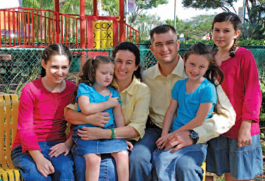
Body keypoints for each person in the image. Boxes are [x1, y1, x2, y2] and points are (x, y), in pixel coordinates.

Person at [129, 24, 236, 181]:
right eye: (159, 44)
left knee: (186, 165)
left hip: (190, 130)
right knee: (137, 158)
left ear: (177, 45)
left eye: (169, 43)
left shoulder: (200, 76)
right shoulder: (145, 78)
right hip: (157, 129)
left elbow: (227, 116)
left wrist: (194, 135)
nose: (164, 48)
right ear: (152, 49)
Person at [64, 42, 151, 181]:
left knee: (119, 159)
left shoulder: (133, 90)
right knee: (88, 163)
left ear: (135, 66)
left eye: (128, 63)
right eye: (119, 61)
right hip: (88, 136)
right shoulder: (90, 87)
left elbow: (130, 123)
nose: (122, 67)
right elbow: (70, 113)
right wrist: (91, 118)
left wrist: (117, 136)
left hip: (111, 136)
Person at [153, 42, 224, 181]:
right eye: (192, 64)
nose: (195, 70)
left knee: (186, 166)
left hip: (194, 138)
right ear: (184, 61)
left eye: (201, 66)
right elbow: (170, 111)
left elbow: (199, 120)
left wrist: (172, 134)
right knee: (161, 161)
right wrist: (164, 135)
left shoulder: (207, 89)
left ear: (207, 67)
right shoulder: (179, 85)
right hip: (175, 135)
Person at [205, 12, 263, 181]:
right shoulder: (210, 59)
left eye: (226, 31)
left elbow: (253, 91)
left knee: (238, 177)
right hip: (218, 126)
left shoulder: (244, 56)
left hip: (241, 127)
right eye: (217, 30)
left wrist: (247, 124)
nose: (220, 35)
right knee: (222, 173)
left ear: (236, 33)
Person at [11, 43, 76, 181]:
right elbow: (25, 128)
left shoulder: (73, 90)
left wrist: (67, 144)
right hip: (25, 148)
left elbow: (77, 123)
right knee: (38, 176)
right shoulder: (30, 89)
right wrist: (39, 158)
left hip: (57, 145)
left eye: (64, 67)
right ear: (44, 64)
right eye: (54, 67)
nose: (59, 72)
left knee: (66, 173)